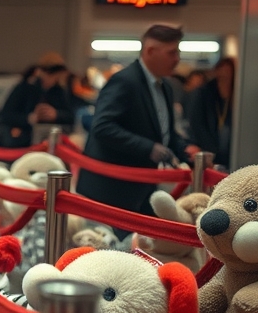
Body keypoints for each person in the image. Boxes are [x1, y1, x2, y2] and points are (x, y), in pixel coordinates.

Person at [77, 24, 198, 219]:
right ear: (150, 51)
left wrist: (188, 152)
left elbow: (163, 132)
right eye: (172, 53)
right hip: (112, 190)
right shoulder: (125, 81)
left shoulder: (165, 86)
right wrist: (149, 148)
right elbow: (102, 126)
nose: (177, 60)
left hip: (141, 187)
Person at [0, 53, 79, 147]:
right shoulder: (24, 88)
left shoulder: (59, 91)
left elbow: (71, 116)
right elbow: (7, 115)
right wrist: (29, 118)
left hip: (51, 139)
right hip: (24, 139)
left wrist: (56, 115)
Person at [187, 57, 235, 165]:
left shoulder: (237, 95)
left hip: (229, 151)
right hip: (208, 147)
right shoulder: (205, 93)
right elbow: (197, 123)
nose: (225, 76)